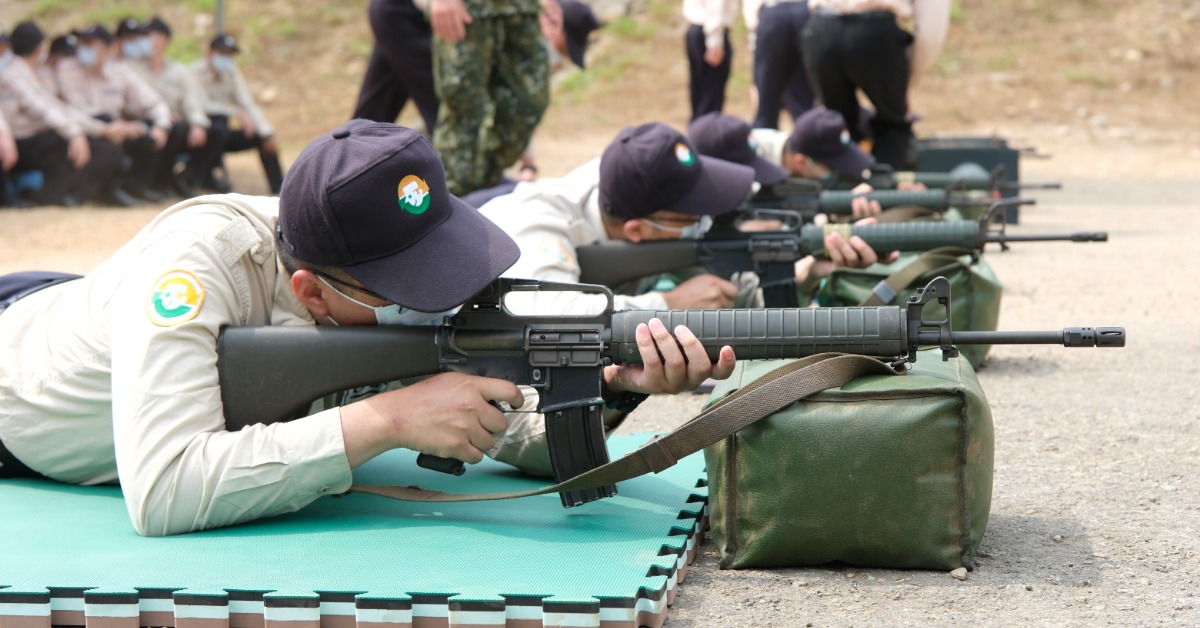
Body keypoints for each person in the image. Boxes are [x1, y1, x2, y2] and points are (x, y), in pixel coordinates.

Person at [0, 120, 735, 536]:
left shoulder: (364, 279)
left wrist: (612, 388)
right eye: (408, 289)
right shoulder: (196, 266)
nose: (437, 302)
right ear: (308, 292)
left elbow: (515, 434)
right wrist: (385, 419)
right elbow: (161, 491)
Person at [478, 122, 885, 316]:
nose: (705, 219)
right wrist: (666, 304)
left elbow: (733, 295)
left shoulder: (635, 185)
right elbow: (553, 313)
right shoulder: (538, 223)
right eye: (693, 214)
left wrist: (810, 270)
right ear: (637, 231)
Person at [424, 0, 557, 196]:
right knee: (464, 108)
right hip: (469, 8)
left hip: (521, 6)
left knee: (530, 102)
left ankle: (483, 185)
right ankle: (452, 199)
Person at [801, 0, 950, 169]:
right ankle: (880, 190)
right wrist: (906, 80)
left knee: (837, 125)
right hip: (874, 34)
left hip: (821, 30)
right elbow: (931, 33)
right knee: (892, 127)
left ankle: (845, 188)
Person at [0, 20, 132, 207]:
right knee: (65, 141)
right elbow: (43, 109)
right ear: (39, 48)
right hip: (22, 142)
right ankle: (53, 195)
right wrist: (76, 132)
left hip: (35, 137)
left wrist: (102, 129)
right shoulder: (13, 74)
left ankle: (79, 192)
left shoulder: (26, 73)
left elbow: (56, 108)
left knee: (102, 145)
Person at [56, 23, 172, 203]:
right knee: (109, 147)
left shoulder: (119, 71)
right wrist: (109, 127)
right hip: (83, 127)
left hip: (116, 127)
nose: (84, 48)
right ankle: (94, 191)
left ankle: (135, 186)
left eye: (90, 44)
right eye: (83, 43)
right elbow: (72, 110)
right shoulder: (66, 68)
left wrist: (161, 126)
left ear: (106, 50)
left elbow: (153, 102)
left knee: (149, 135)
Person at [126, 17, 212, 198]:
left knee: (197, 130)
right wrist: (161, 117)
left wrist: (198, 124)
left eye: (147, 35)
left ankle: (166, 182)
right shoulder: (129, 68)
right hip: (139, 120)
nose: (142, 40)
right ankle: (142, 183)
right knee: (158, 129)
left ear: (163, 40)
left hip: (173, 124)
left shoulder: (179, 71)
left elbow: (192, 102)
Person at [191, 33, 283, 195]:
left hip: (222, 136)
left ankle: (281, 190)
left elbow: (247, 103)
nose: (227, 59)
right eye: (222, 53)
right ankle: (198, 179)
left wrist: (267, 132)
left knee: (263, 138)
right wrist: (236, 112)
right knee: (219, 124)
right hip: (201, 134)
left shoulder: (232, 73)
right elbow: (201, 106)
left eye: (230, 55)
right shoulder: (193, 72)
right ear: (209, 53)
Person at [749, 107, 876, 181]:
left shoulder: (793, 151)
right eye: (832, 169)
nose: (839, 174)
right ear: (801, 162)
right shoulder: (752, 162)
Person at [742, 0, 814, 129]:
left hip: (773, 15)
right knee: (805, 100)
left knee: (766, 104)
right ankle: (811, 139)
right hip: (805, 14)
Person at [682, 0, 737, 121]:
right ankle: (704, 136)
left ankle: (697, 133)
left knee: (700, 96)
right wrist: (715, 39)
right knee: (710, 98)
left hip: (699, 29)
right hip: (709, 33)